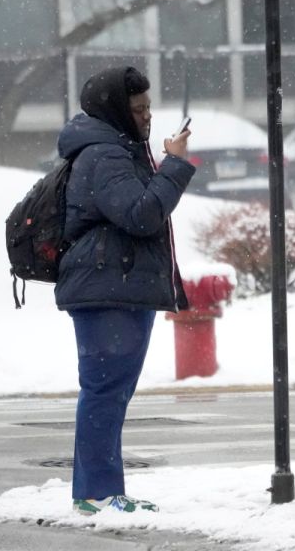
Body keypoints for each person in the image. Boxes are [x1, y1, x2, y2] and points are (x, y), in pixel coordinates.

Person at [55, 66, 195, 514]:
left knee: (110, 392)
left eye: (149, 107)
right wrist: (173, 164)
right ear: (116, 109)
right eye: (138, 109)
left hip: (117, 284)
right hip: (107, 288)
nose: (147, 116)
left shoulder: (115, 149)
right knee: (104, 391)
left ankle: (99, 490)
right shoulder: (105, 155)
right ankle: (96, 492)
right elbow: (141, 214)